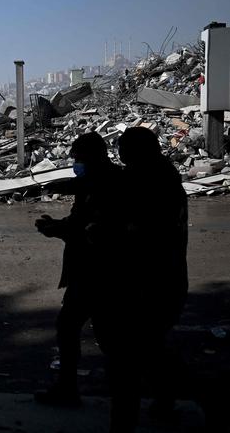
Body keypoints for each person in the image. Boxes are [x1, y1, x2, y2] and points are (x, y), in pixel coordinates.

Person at [92, 127, 188, 432]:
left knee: (127, 361)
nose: (120, 155)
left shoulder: (148, 182)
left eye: (124, 149)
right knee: (152, 348)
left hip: (145, 284)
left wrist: (99, 233)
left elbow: (136, 231)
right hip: (165, 279)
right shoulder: (164, 175)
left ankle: (125, 424)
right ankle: (164, 400)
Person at [34, 132, 123, 407]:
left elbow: (90, 229)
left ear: (93, 157)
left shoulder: (106, 185)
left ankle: (73, 390)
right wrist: (57, 227)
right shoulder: (94, 182)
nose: (76, 164)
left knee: (78, 328)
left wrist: (56, 229)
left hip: (98, 271)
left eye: (79, 158)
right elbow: (78, 222)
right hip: (92, 270)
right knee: (105, 334)